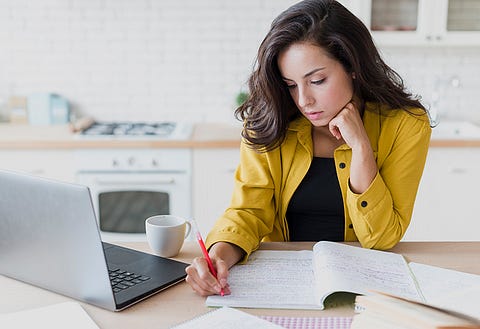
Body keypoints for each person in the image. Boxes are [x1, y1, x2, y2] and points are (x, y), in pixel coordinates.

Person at [186, 0, 432, 296]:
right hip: (281, 282)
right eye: (290, 85)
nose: (303, 100)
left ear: (353, 67)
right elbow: (249, 212)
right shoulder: (270, 123)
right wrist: (219, 257)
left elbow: (382, 238)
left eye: (317, 80)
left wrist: (361, 147)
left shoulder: (405, 124)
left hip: (366, 286)